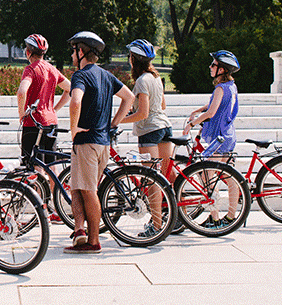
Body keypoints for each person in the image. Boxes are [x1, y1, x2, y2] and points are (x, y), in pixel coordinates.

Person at [65, 31, 134, 254]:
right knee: (77, 187)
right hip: (102, 142)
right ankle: (80, 231)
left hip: (87, 142)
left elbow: (75, 102)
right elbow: (129, 97)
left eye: (74, 49)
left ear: (81, 51)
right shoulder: (105, 75)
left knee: (88, 191)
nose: (72, 54)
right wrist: (113, 123)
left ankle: (93, 241)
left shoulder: (81, 75)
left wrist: (73, 128)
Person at [118, 39, 173, 238]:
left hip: (149, 130)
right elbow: (163, 106)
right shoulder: (156, 77)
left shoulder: (141, 81)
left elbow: (142, 113)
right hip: (166, 127)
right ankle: (175, 218)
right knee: (166, 177)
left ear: (134, 59)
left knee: (152, 181)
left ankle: (157, 226)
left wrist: (118, 121)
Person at [184, 49, 240, 229]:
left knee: (207, 177)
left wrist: (191, 124)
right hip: (228, 135)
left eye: (214, 65)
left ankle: (215, 219)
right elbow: (212, 105)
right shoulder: (230, 86)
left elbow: (211, 112)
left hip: (219, 138)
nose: (210, 67)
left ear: (222, 69)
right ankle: (231, 217)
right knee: (227, 177)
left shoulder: (220, 88)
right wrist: (197, 111)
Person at [16, 33, 71, 181]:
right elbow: (69, 88)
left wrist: (22, 113)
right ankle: (56, 199)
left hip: (33, 122)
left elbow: (22, 92)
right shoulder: (52, 69)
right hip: (51, 122)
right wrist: (54, 109)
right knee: (52, 165)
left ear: (28, 52)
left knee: (35, 166)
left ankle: (41, 202)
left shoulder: (30, 69)